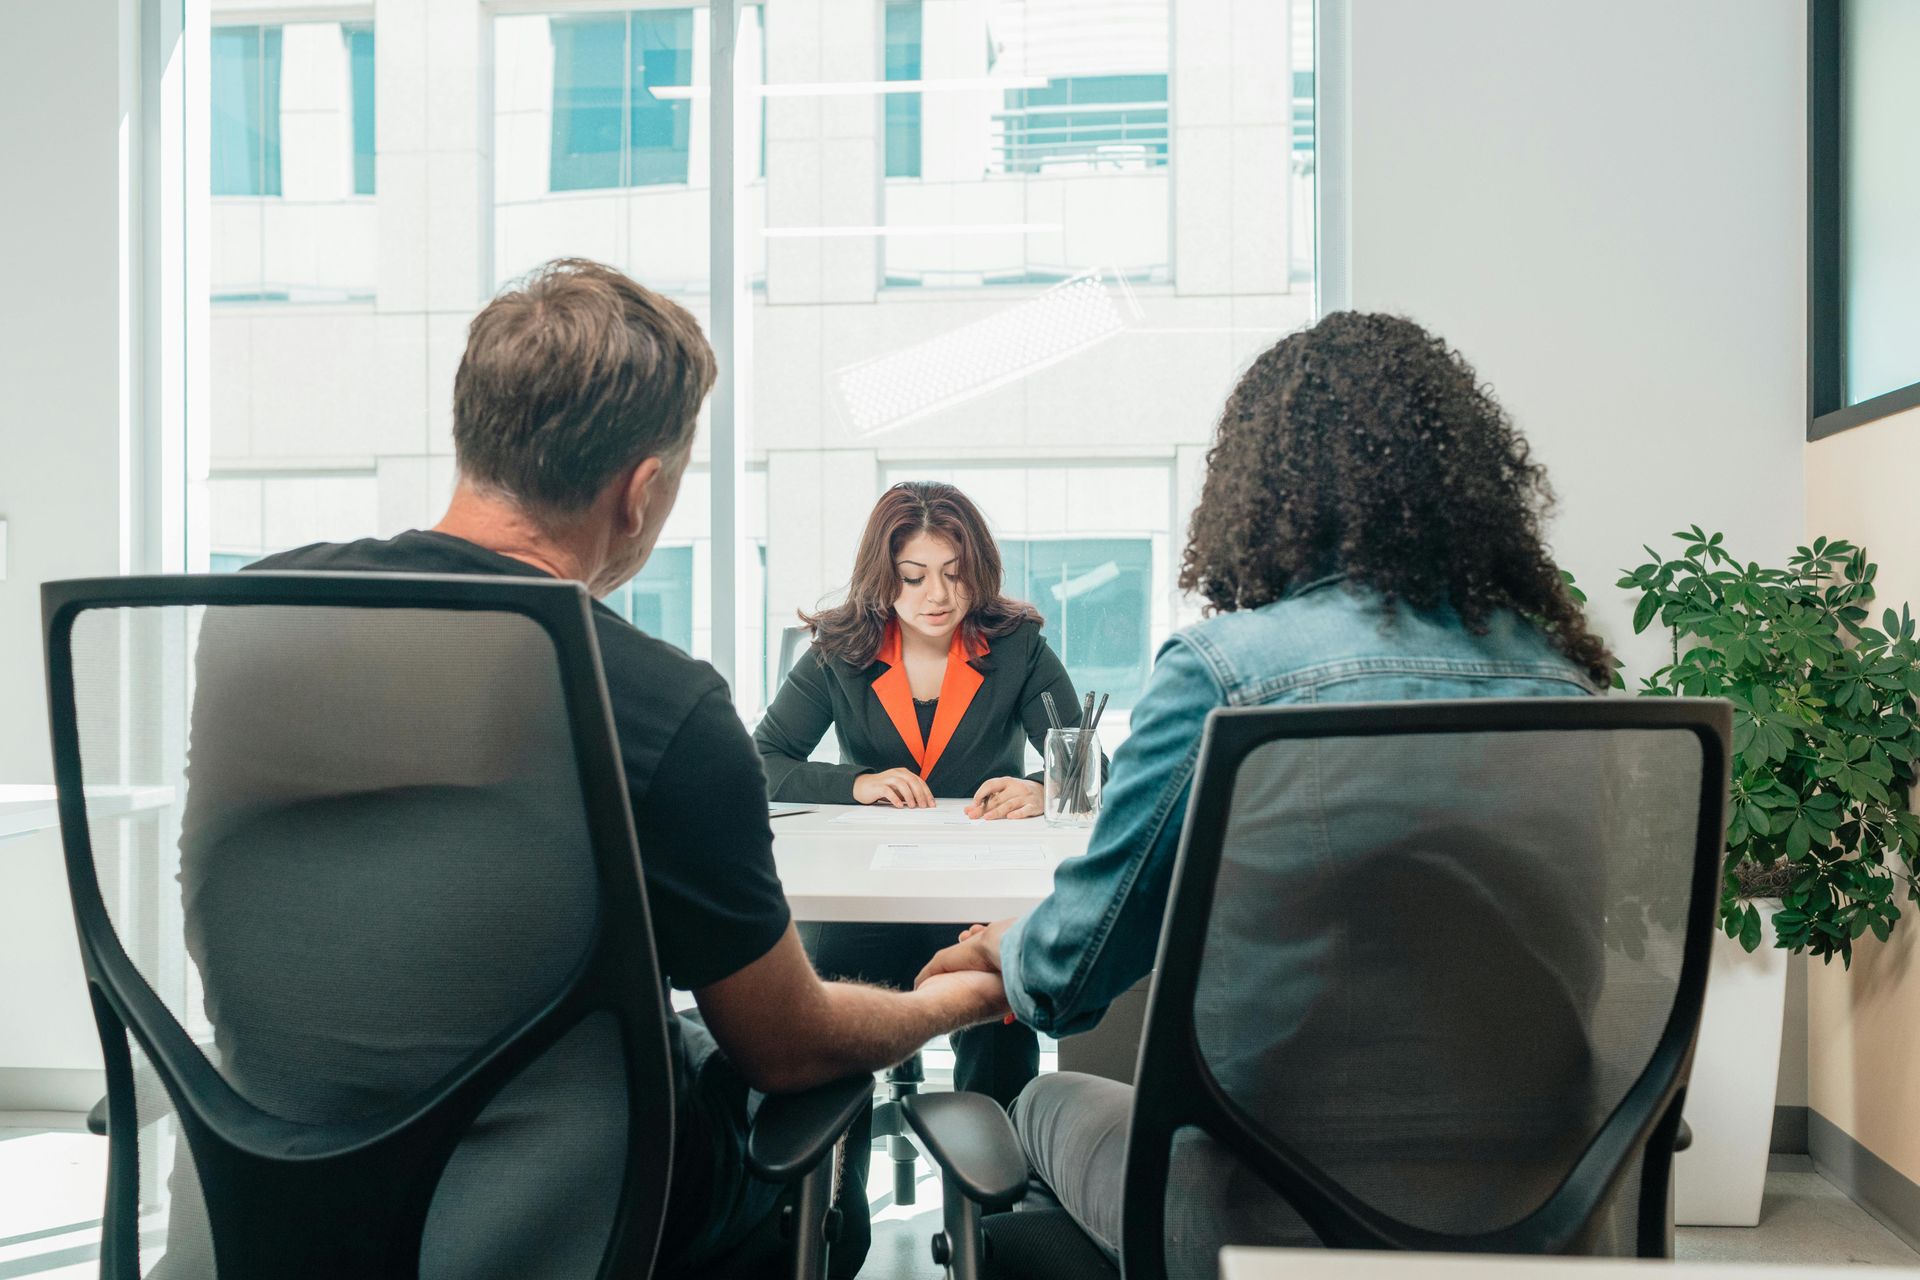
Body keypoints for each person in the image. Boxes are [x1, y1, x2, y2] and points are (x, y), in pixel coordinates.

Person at [175, 259, 1009, 1280]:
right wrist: (958, 998)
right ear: (642, 489)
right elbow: (788, 1046)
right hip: (567, 1218)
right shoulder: (656, 700)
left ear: (473, 426)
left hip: (267, 1188)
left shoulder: (264, 614)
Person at [915, 311, 1617, 1266]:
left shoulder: (1231, 674)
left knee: (1038, 1098)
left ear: (1263, 488)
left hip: (1273, 1215)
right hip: (1544, 1205)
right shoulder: (1561, 679)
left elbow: (1075, 973)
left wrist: (1006, 946)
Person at [753, 480, 1101, 1269]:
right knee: (826, 1016)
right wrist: (855, 784)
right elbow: (762, 758)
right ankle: (835, 1219)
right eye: (915, 576)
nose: (938, 596)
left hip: (975, 899)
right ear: (884, 577)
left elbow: (1085, 766)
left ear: (977, 569)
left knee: (1000, 1019)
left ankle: (992, 1224)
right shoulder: (840, 652)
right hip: (866, 898)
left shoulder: (1017, 646)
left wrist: (1044, 786)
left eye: (955, 572)